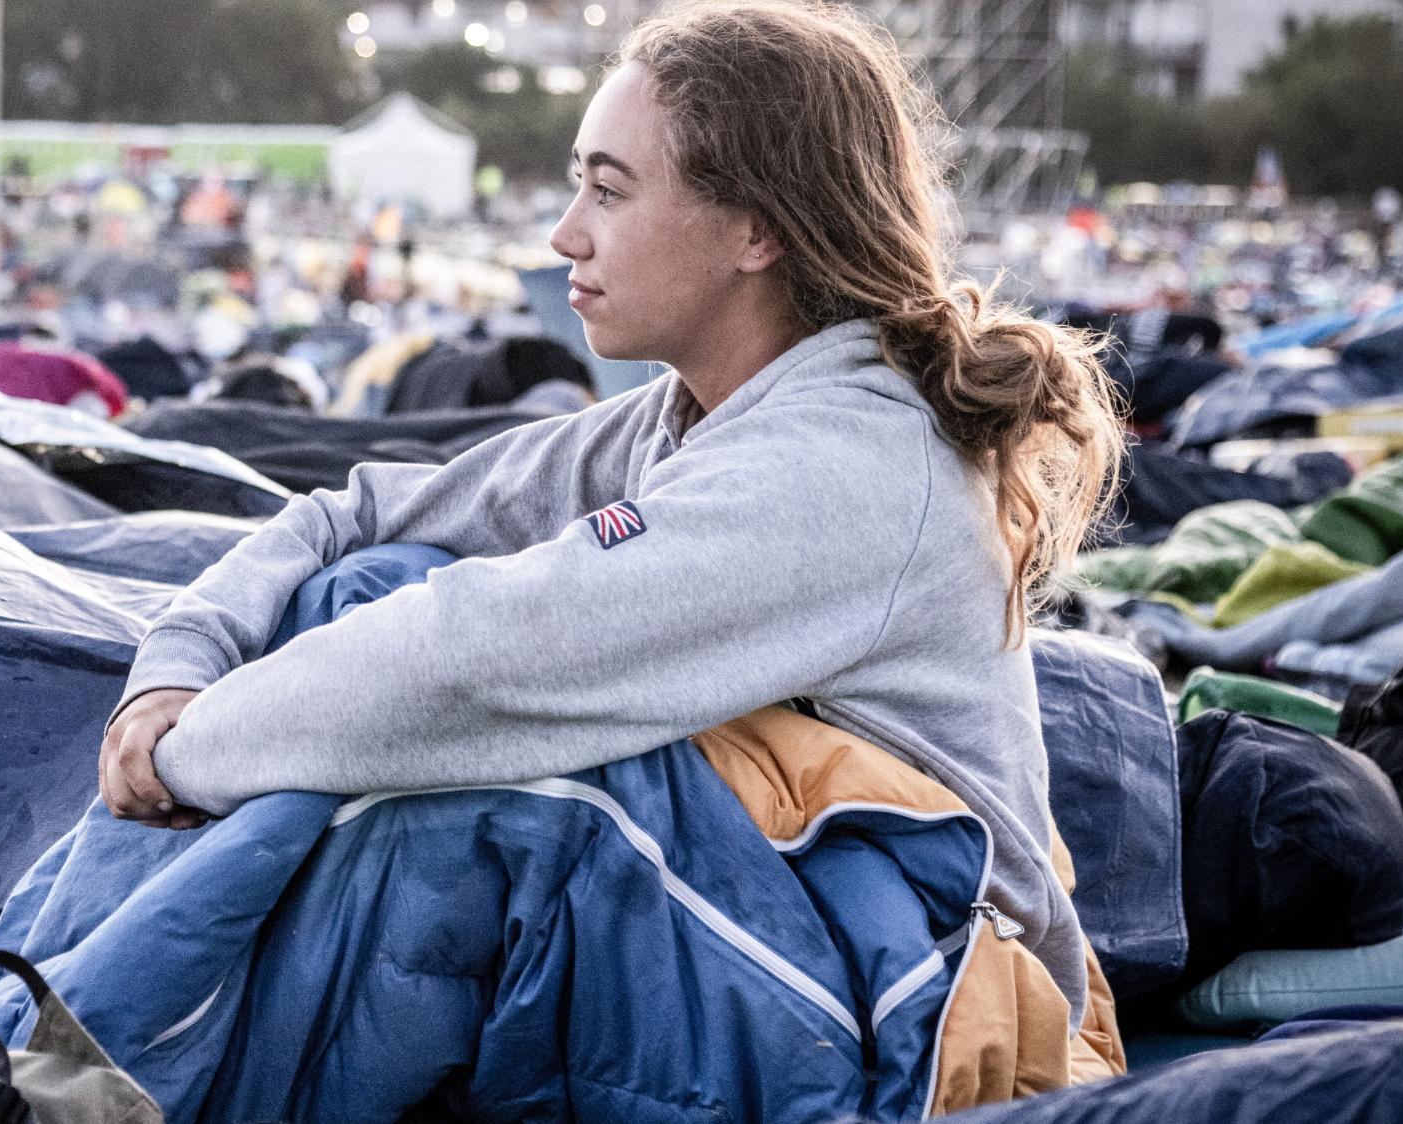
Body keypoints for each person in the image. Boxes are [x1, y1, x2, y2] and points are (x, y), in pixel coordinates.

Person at [98, 0, 1123, 1021]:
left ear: (757, 228)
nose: (564, 232)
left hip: (939, 1014)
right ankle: (35, 1023)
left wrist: (190, 754)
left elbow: (476, 660)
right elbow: (356, 515)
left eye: (609, 189)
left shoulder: (847, 471)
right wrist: (175, 673)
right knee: (370, 590)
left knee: (503, 806)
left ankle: (71, 1052)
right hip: (807, 950)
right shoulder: (684, 418)